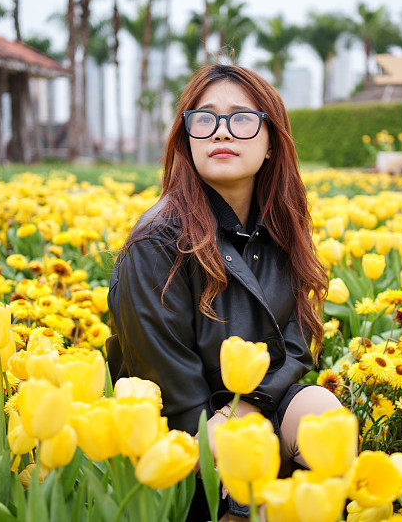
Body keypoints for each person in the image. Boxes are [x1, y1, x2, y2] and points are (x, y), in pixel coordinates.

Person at [106, 65, 344, 521]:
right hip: (186, 434)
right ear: (187, 137)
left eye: (241, 118)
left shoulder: (279, 227)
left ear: (272, 140)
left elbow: (294, 347)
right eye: (205, 119)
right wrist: (235, 422)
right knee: (228, 443)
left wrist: (250, 406)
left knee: (322, 414)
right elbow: (171, 393)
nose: (222, 132)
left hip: (250, 410)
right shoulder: (158, 242)